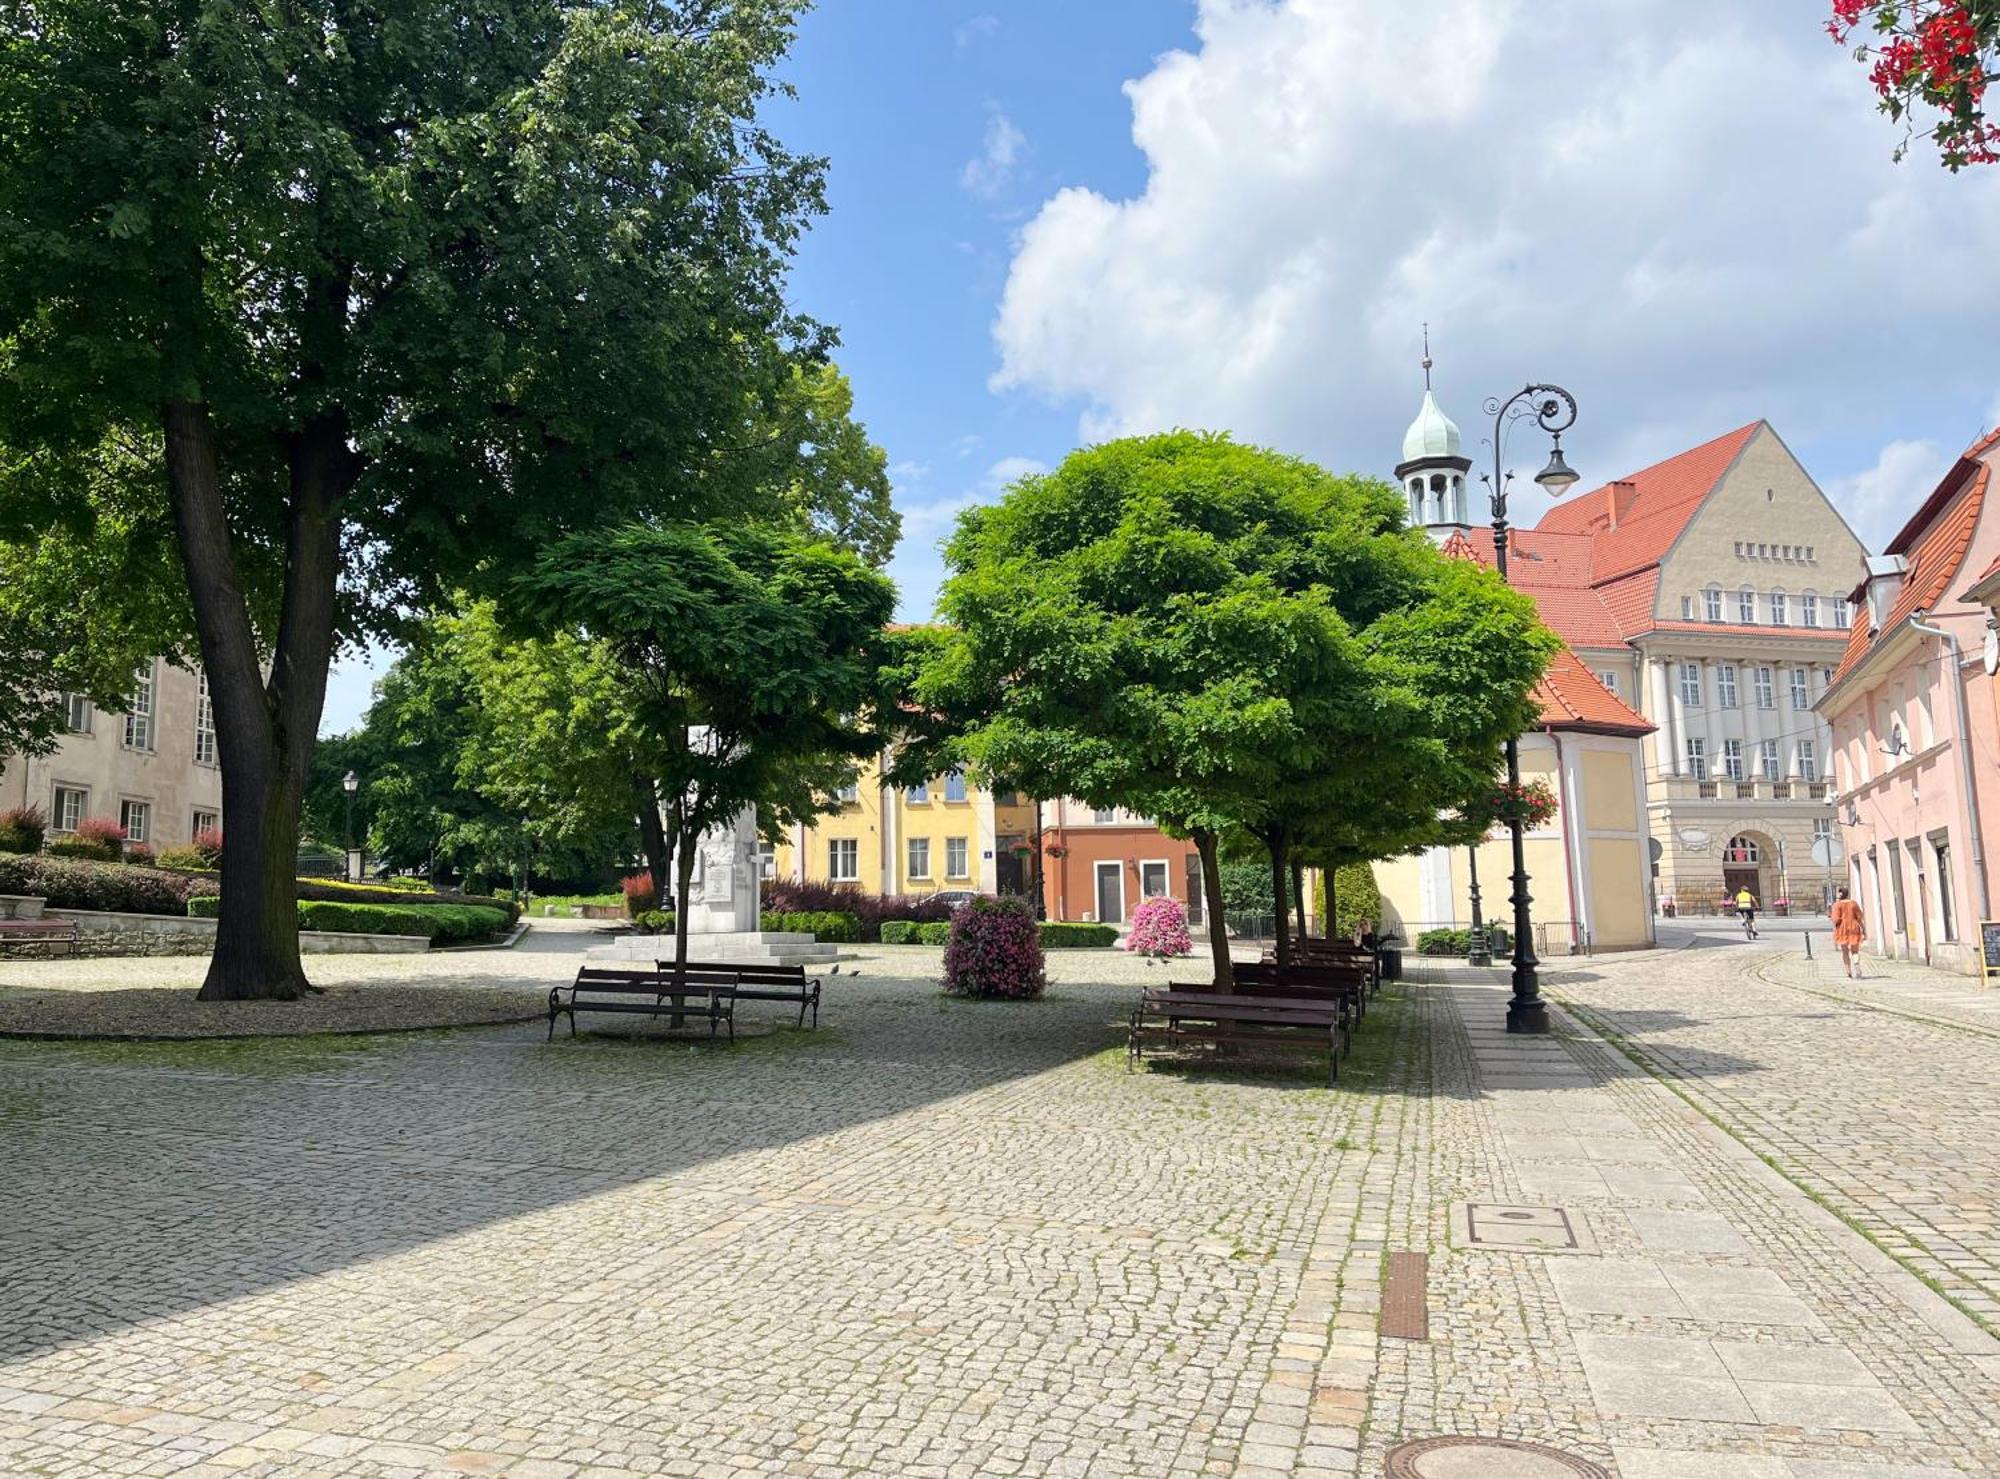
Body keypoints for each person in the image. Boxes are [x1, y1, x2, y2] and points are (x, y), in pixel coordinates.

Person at [1829, 886, 1866, 978]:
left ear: (1840, 895)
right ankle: (1856, 964)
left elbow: (1835, 919)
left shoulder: (1837, 905)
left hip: (1842, 929)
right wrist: (1863, 929)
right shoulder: (1853, 903)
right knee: (1855, 951)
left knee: (1845, 951)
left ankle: (1848, 971)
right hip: (1854, 927)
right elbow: (1859, 917)